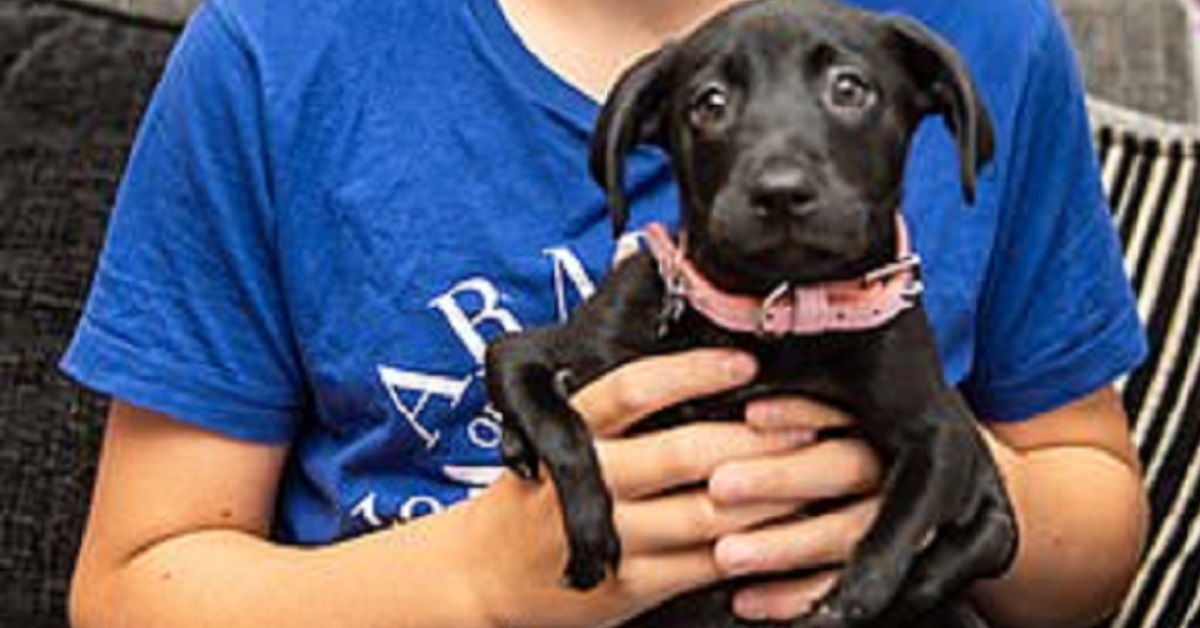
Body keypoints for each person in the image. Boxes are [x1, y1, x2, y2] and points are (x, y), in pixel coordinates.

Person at [61, 0, 1149, 626]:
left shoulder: (984, 34)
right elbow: (130, 589)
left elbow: (1096, 532)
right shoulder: (286, 44)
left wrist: (933, 485)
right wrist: (477, 578)